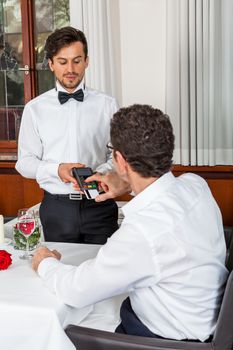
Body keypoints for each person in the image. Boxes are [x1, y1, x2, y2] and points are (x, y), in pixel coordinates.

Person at [32, 104, 228, 341]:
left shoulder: (142, 233)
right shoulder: (195, 185)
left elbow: (75, 290)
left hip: (165, 341)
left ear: (120, 161)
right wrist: (128, 185)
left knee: (57, 331)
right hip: (201, 317)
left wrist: (45, 263)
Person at [15, 26, 119, 244]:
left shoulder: (107, 105)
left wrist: (98, 173)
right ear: (51, 64)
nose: (70, 68)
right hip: (56, 210)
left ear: (87, 61)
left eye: (77, 60)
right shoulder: (35, 109)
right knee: (59, 271)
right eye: (63, 62)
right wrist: (57, 170)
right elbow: (24, 163)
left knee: (105, 274)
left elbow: (117, 157)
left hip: (99, 205)